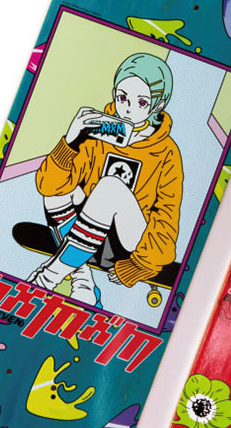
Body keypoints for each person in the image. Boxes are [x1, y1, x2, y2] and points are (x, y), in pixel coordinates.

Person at [27, 53, 183, 305]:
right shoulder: (98, 131)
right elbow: (48, 186)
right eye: (122, 98)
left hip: (126, 244)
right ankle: (83, 283)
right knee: (56, 192)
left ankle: (48, 277)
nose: (128, 108)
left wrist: (141, 265)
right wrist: (71, 141)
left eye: (141, 102)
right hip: (86, 233)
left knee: (111, 187)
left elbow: (167, 215)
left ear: (158, 105)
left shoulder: (166, 151)